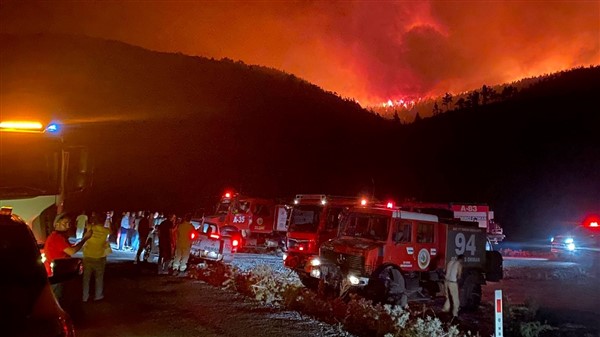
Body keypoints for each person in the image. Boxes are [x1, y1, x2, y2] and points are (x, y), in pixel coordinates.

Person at [43, 214, 93, 299]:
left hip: (56, 270)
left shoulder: (58, 236)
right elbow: (72, 251)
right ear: (56, 224)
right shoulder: (57, 237)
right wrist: (85, 239)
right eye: (65, 223)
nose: (68, 226)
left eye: (69, 223)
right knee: (57, 297)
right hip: (57, 272)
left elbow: (68, 248)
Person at [82, 212, 111, 302]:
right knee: (99, 277)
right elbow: (111, 232)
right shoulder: (106, 231)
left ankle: (85, 297)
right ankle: (98, 295)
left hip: (87, 256)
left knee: (86, 279)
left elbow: (87, 223)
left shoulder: (90, 228)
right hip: (99, 257)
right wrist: (109, 220)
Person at [442, 254, 464, 318]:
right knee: (456, 299)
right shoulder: (459, 265)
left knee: (448, 296)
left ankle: (445, 309)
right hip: (452, 283)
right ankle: (455, 314)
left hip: (446, 281)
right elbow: (459, 276)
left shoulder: (450, 262)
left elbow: (445, 271)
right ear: (462, 259)